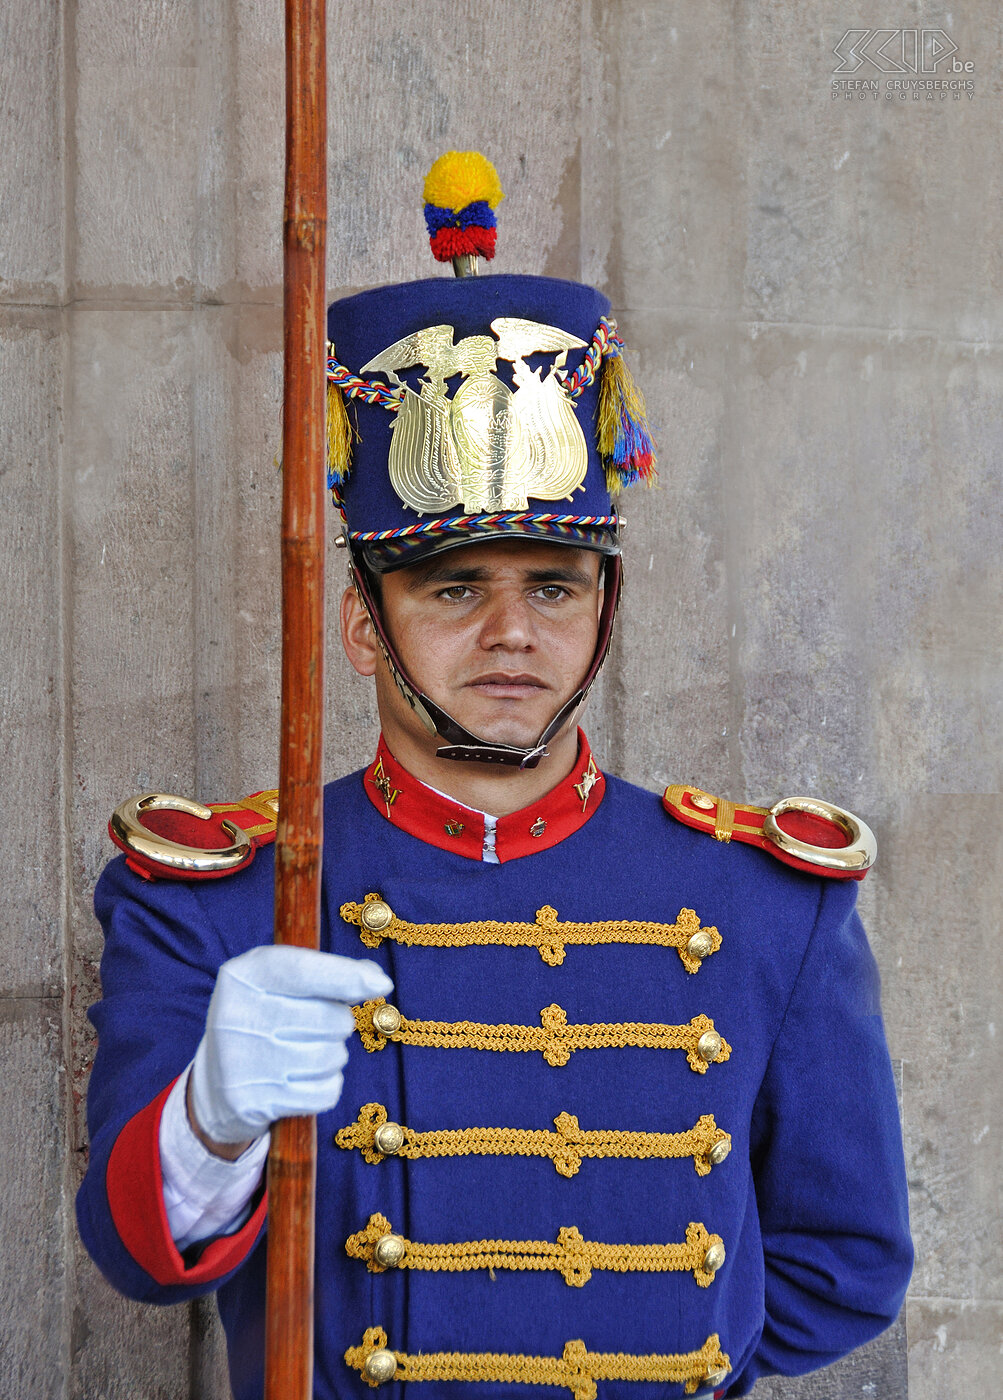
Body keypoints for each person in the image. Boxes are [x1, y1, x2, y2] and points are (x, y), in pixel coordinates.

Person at [77, 153, 912, 1400]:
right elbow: (141, 1256)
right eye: (455, 587)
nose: (512, 632)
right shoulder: (214, 892)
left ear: (604, 612)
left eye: (553, 587)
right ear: (365, 624)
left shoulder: (765, 899)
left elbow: (844, 1262)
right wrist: (210, 1119)